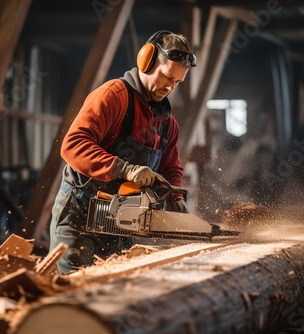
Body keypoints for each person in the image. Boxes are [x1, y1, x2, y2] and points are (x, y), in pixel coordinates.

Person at [49, 30, 197, 274]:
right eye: (167, 77)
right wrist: (126, 169)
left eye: (177, 83)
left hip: (123, 221)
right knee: (74, 291)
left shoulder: (167, 123)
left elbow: (171, 168)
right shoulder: (112, 96)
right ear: (146, 62)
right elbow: (73, 144)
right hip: (80, 215)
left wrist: (175, 198)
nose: (170, 87)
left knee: (116, 290)